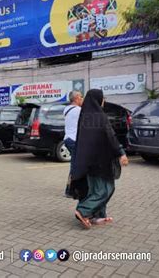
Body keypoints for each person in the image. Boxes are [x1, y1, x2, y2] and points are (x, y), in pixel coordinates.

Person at [71, 89, 128, 229]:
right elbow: (110, 136)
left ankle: (97, 216)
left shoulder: (85, 116)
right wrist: (121, 153)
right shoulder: (99, 116)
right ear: (97, 100)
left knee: (95, 189)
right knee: (105, 189)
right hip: (100, 161)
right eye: (103, 98)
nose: (104, 101)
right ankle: (83, 210)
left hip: (88, 161)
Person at [63, 91, 83, 198]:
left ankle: (72, 188)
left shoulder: (66, 109)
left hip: (67, 139)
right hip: (74, 140)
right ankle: (69, 190)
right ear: (76, 98)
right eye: (80, 97)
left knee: (75, 164)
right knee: (75, 166)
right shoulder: (78, 110)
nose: (82, 99)